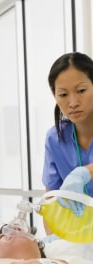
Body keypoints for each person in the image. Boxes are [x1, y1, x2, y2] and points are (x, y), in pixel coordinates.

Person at [43, 52, 93, 224]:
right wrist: (53, 245)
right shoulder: (55, 139)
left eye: (81, 91)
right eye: (63, 94)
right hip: (82, 239)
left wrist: (85, 172)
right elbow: (51, 202)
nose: (73, 103)